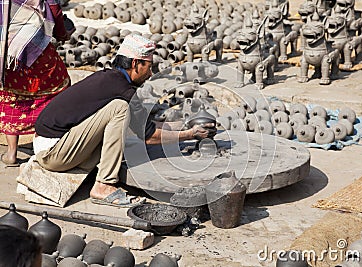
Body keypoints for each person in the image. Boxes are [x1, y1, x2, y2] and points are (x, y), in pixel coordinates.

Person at [34, 34, 216, 207]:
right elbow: (149, 136)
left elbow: (142, 125)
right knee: (120, 109)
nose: (151, 73)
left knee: (125, 120)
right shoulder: (123, 91)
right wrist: (190, 134)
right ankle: (103, 185)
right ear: (136, 63)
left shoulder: (111, 79)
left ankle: (101, 174)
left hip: (57, 143)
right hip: (54, 154)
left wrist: (184, 124)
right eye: (149, 66)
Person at [0, 0, 74, 166]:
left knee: (11, 98)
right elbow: (55, 12)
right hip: (36, 53)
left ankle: (11, 153)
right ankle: (41, 147)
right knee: (56, 92)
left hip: (8, 54)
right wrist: (63, 34)